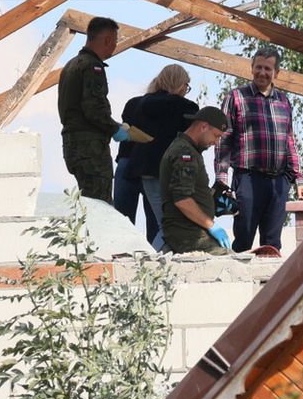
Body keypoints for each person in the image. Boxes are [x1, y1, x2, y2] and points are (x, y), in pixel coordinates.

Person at [215, 46, 303, 253]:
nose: (262, 73)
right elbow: (224, 139)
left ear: (276, 73)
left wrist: (298, 179)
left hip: (278, 181)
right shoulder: (236, 97)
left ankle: (269, 284)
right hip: (248, 178)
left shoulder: (283, 100)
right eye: (258, 67)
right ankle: (240, 283)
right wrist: (222, 178)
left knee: (272, 243)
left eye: (267, 69)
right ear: (251, 68)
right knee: (244, 236)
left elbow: (289, 141)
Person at [119, 64, 198, 249]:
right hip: (170, 173)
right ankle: (152, 260)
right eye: (187, 85)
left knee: (127, 219)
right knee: (169, 224)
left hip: (143, 170)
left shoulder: (142, 104)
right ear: (180, 84)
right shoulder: (187, 107)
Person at [57, 16, 128, 202]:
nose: (114, 46)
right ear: (107, 40)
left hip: (72, 144)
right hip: (90, 149)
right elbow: (93, 108)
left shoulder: (71, 65)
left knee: (87, 202)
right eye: (115, 41)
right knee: (99, 206)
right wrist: (114, 129)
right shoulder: (92, 66)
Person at [158, 106, 234, 255]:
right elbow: (182, 199)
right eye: (216, 136)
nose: (216, 142)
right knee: (231, 264)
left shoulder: (189, 150)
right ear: (204, 127)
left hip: (193, 231)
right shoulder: (185, 153)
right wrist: (211, 225)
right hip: (187, 233)